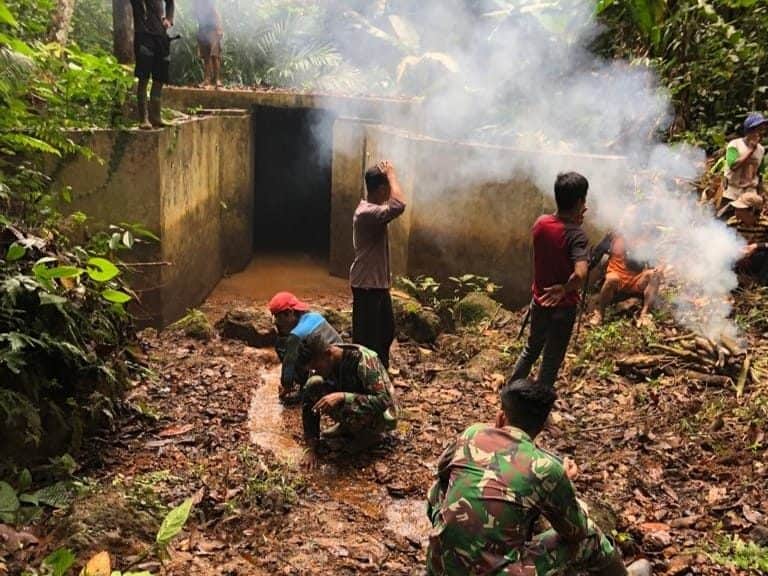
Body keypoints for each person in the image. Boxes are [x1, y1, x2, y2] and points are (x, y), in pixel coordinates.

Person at [426, 377, 652, 576]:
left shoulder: (472, 433)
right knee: (590, 537)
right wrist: (559, 482)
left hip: (440, 566)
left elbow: (442, 470)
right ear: (542, 426)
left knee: (438, 488)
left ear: (501, 417)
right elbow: (576, 531)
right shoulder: (547, 468)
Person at [510, 172, 589, 389]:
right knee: (551, 362)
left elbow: (556, 236)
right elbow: (580, 274)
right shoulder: (577, 236)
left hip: (539, 301)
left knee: (531, 350)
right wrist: (565, 288)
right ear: (581, 201)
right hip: (562, 308)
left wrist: (573, 222)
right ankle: (538, 409)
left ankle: (509, 396)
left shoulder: (540, 223)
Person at [301, 342, 399, 468]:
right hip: (356, 401)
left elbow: (384, 400)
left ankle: (371, 435)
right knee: (313, 384)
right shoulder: (325, 360)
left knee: (340, 398)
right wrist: (311, 447)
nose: (316, 371)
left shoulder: (364, 362)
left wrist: (343, 396)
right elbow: (309, 400)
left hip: (384, 415)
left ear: (328, 354)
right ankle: (347, 426)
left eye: (316, 367)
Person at [349, 160, 406, 369]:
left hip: (377, 284)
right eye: (389, 188)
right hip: (366, 285)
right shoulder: (366, 213)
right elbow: (399, 205)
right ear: (381, 189)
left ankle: (380, 375)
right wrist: (391, 174)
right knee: (366, 341)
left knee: (386, 331)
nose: (392, 192)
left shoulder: (373, 210)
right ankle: (363, 380)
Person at [590, 208, 662, 328]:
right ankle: (600, 314)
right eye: (626, 215)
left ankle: (644, 314)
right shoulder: (614, 235)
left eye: (631, 216)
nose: (626, 218)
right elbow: (597, 254)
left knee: (655, 274)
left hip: (636, 280)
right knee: (612, 279)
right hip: (616, 276)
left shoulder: (644, 237)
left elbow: (652, 261)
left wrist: (656, 269)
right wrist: (588, 266)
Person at [268, 291, 342, 403]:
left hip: (330, 372)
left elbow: (289, 362)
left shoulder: (297, 335)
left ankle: (308, 388)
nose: (277, 322)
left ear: (289, 313)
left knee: (283, 346)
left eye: (277, 317)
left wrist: (286, 385)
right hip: (340, 365)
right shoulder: (315, 316)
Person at [130, 0, 174, 129]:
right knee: (143, 78)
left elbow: (170, 2)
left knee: (159, 78)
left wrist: (169, 19)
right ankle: (143, 118)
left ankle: (156, 117)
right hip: (144, 36)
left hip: (161, 36)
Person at [721, 113, 767, 209]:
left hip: (750, 194)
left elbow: (759, 173)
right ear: (749, 131)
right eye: (759, 129)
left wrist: (762, 191)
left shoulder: (761, 150)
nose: (762, 133)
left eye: (763, 130)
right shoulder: (734, 145)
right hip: (732, 191)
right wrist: (750, 150)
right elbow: (733, 165)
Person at [727, 192, 768, 286]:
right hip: (737, 259)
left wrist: (756, 246)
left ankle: (761, 283)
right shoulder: (732, 223)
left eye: (740, 209)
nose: (736, 211)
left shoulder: (765, 224)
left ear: (752, 211)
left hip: (757, 261)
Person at [195, 0, 223, 88]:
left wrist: (219, 28)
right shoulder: (197, 5)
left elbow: (216, 14)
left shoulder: (209, 3)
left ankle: (217, 80)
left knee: (215, 55)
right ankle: (207, 79)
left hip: (213, 31)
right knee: (206, 57)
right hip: (203, 31)